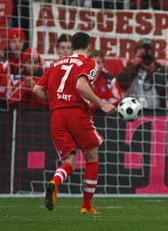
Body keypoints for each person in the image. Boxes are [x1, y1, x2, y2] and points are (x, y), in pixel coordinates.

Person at [32, 31, 117, 214]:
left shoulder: (56, 63)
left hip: (56, 115)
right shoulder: (89, 62)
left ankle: (55, 181)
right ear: (89, 47)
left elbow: (37, 89)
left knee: (70, 160)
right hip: (77, 113)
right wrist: (101, 104)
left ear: (71, 46)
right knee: (92, 157)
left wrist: (55, 100)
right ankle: (86, 206)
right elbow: (80, 85)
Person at [117, 38, 168, 109]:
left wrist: (152, 71)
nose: (145, 58)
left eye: (148, 55)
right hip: (133, 110)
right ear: (135, 55)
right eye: (141, 55)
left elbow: (163, 88)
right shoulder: (130, 68)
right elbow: (122, 84)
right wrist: (135, 66)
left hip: (156, 112)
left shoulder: (160, 69)